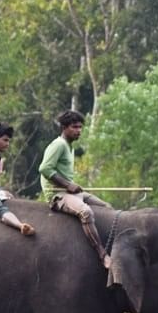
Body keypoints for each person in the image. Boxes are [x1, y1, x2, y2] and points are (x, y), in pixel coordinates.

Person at [39, 109, 112, 268]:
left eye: (80, 127)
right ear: (64, 127)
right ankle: (101, 253)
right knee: (86, 212)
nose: (78, 131)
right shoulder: (58, 145)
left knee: (106, 208)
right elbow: (44, 168)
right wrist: (68, 185)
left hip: (69, 192)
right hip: (57, 194)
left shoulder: (69, 146)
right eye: (74, 127)